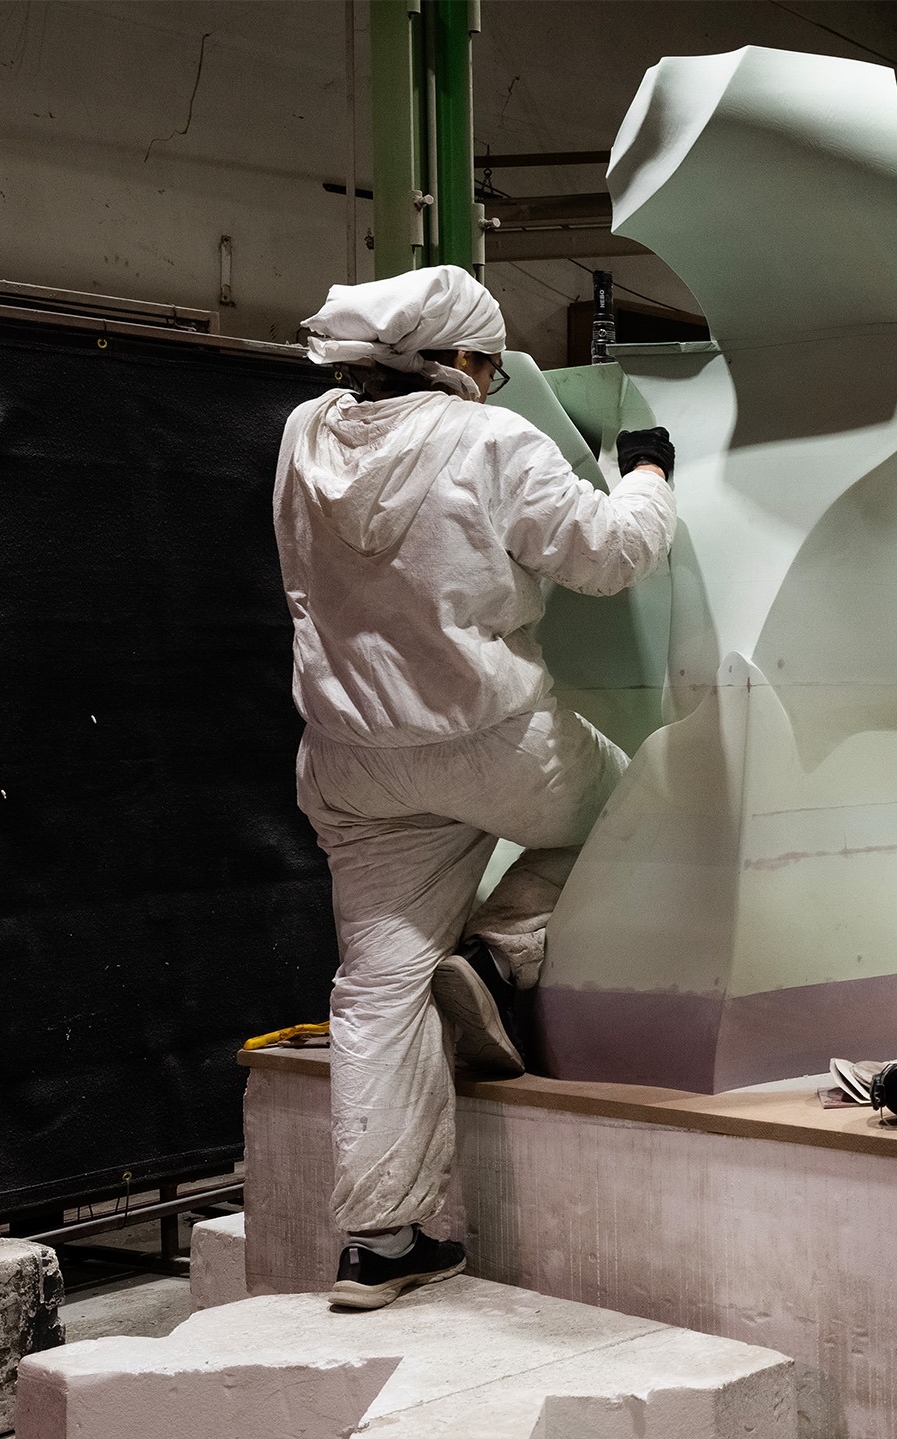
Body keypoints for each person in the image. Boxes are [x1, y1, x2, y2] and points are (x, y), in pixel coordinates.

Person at [275, 265, 676, 1309]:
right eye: (490, 361)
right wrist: (647, 472)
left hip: (354, 758)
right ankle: (500, 955)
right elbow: (609, 555)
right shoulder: (493, 441)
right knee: (636, 807)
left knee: (377, 988)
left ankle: (380, 1245)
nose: (496, 378)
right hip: (491, 744)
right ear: (456, 359)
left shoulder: (304, 438)